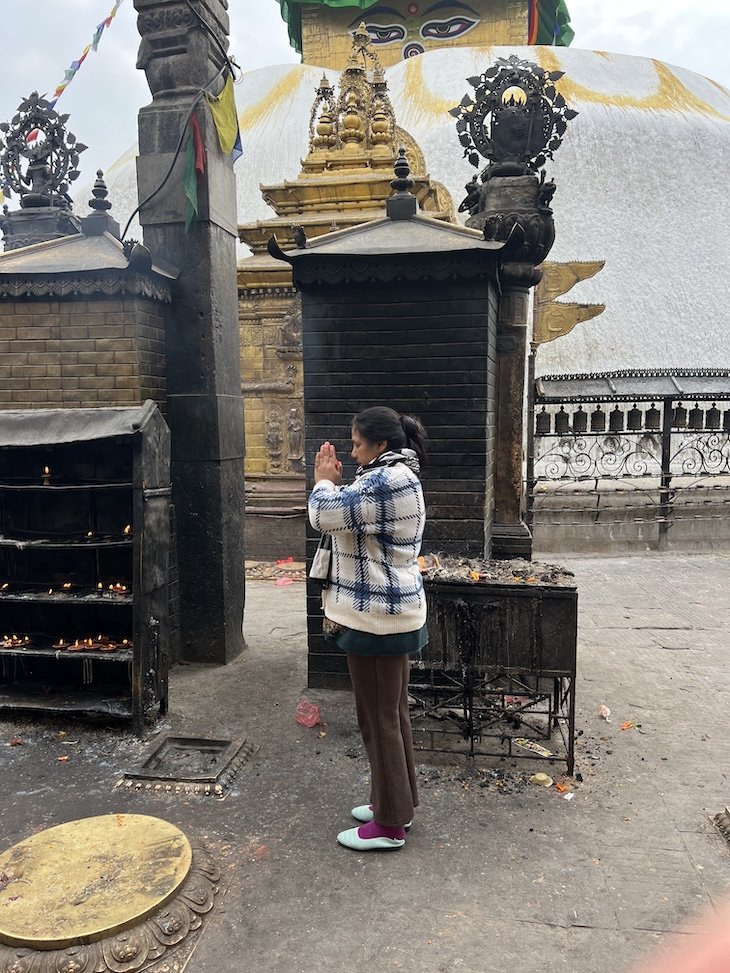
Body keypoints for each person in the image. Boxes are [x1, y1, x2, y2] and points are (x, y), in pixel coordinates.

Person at [308, 406, 429, 852]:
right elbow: (348, 517)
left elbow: (323, 514)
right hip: (388, 613)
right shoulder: (391, 475)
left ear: (381, 444)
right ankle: (396, 802)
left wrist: (323, 479)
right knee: (390, 716)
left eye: (357, 443)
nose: (352, 450)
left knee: (378, 721)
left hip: (378, 618)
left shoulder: (387, 480)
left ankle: (390, 824)